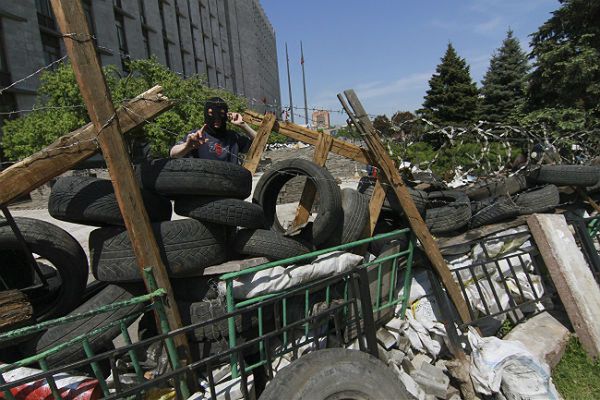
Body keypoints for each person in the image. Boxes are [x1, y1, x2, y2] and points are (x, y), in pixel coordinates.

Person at [170, 97, 256, 164]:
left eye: (221, 114)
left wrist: (243, 125)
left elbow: (259, 145)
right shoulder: (197, 135)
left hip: (230, 183)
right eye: (211, 113)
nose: (217, 118)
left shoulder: (233, 137)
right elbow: (173, 154)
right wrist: (187, 146)